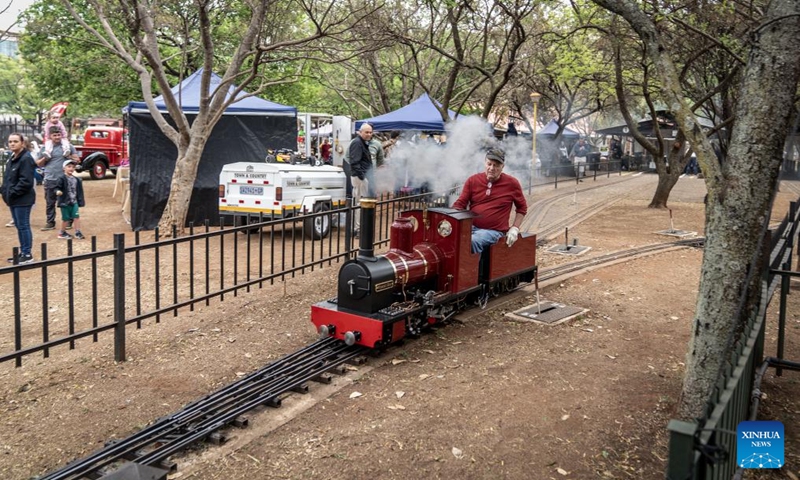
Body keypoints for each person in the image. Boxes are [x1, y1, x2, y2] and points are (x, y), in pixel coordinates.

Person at [452, 148, 527, 254]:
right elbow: (460, 204)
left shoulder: (512, 183)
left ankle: (472, 270)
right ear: (485, 163)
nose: (492, 168)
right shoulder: (473, 180)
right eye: (489, 164)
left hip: (494, 231)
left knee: (472, 241)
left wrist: (515, 228)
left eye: (496, 165)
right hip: (470, 227)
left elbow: (522, 208)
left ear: (502, 167)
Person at [1, 133, 37, 264]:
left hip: (23, 199)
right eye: (10, 141)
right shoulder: (12, 158)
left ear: (22, 143)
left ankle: (27, 254)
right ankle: (23, 252)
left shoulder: (26, 158)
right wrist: (4, 191)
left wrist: (12, 193)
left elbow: (26, 181)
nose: (12, 144)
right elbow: (8, 178)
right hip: (13, 199)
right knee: (19, 225)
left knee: (23, 226)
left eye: (15, 141)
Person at [37, 127, 78, 231]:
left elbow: (77, 160)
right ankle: (50, 222)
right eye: (54, 135)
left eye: (59, 135)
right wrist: (45, 158)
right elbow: (38, 164)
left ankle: (68, 220)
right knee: (50, 202)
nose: (57, 137)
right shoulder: (45, 148)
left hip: (65, 179)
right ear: (50, 136)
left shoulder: (68, 146)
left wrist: (69, 157)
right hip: (50, 178)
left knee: (67, 200)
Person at [345, 124, 375, 236]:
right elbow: (354, 162)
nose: (369, 134)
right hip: (359, 177)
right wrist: (362, 176)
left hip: (360, 176)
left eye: (370, 132)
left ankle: (357, 228)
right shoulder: (357, 143)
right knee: (359, 203)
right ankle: (358, 229)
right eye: (367, 132)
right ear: (360, 132)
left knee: (359, 203)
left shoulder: (361, 143)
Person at [55, 159, 86, 240]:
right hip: (65, 202)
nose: (71, 168)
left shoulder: (76, 179)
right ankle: (62, 232)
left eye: (73, 167)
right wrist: (58, 191)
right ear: (64, 168)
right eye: (69, 166)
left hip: (74, 201)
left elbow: (79, 191)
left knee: (76, 217)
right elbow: (56, 187)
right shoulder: (61, 178)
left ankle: (77, 232)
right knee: (66, 219)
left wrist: (80, 201)